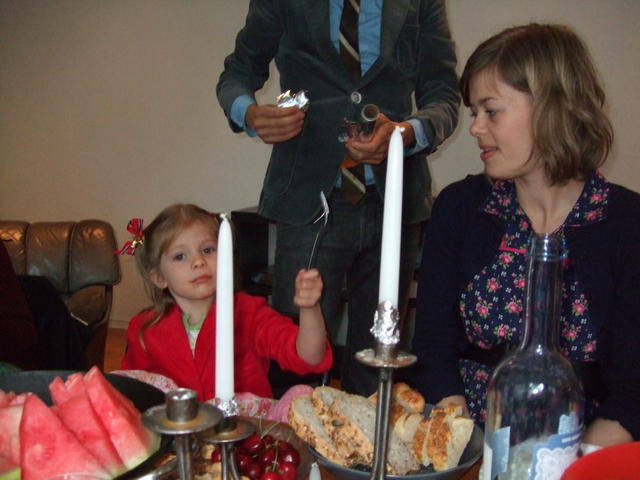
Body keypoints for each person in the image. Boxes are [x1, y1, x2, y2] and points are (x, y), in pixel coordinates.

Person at [412, 23, 640, 447]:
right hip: (468, 439)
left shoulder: (627, 224)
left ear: (552, 108)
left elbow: (633, 390)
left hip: (584, 451)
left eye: (491, 111)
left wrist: (568, 465)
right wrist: (465, 449)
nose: (475, 127)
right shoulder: (461, 208)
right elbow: (433, 347)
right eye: (473, 112)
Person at [216, 0, 460, 395]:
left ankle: (367, 435)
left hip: (394, 200)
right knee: (295, 362)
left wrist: (405, 134)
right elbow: (237, 73)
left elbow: (444, 95)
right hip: (308, 197)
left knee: (378, 365)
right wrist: (249, 114)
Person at [121, 204, 332, 402]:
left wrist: (309, 309)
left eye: (207, 250)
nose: (198, 261)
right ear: (159, 277)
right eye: (180, 256)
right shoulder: (144, 330)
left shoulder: (249, 313)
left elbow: (310, 357)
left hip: (245, 427)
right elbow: (132, 396)